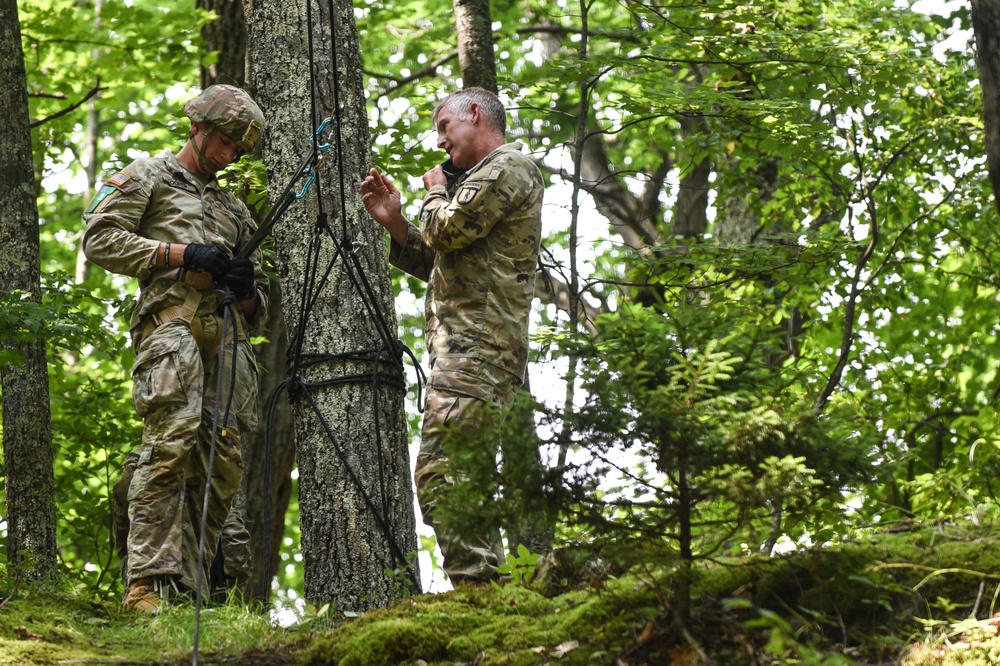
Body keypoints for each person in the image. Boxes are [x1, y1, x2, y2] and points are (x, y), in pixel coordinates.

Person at [83, 84, 269, 614]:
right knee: (170, 445)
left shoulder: (236, 208)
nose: (232, 155)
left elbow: (263, 314)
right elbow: (99, 238)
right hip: (172, 330)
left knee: (221, 460)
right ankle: (147, 582)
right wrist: (179, 252)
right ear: (200, 128)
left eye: (240, 149)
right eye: (228, 142)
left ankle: (190, 590)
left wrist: (247, 287)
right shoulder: (151, 175)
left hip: (229, 341)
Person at [361, 87, 544, 586]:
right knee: (458, 473)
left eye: (445, 126)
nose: (440, 141)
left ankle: (478, 588)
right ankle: (486, 585)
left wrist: (434, 190)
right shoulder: (486, 177)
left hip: (476, 352)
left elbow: (447, 229)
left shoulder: (507, 166)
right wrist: (396, 223)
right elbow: (441, 260)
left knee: (442, 473)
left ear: (476, 115)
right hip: (467, 351)